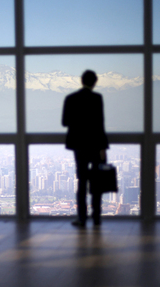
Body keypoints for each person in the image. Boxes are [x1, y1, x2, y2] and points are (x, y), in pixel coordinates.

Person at [62, 70, 109, 227]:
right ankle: (96, 217)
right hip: (95, 146)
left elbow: (65, 122)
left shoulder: (70, 99)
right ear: (94, 82)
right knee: (96, 182)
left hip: (79, 146)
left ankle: (82, 218)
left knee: (82, 181)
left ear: (81, 81)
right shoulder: (97, 98)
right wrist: (103, 147)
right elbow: (100, 124)